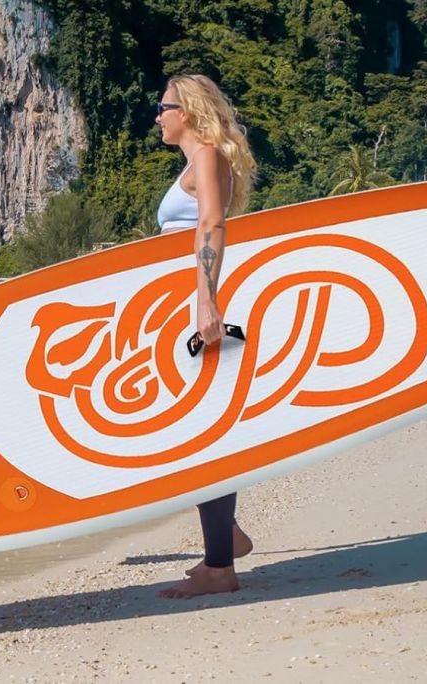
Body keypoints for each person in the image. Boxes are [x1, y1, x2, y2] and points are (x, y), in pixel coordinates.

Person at [153, 74, 257, 599]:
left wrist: (207, 299)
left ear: (188, 111)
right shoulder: (196, 164)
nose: (157, 116)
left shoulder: (209, 157)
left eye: (163, 106)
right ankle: (227, 538)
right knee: (196, 427)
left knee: (201, 434)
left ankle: (221, 566)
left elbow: (213, 224)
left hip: (203, 308)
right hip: (189, 306)